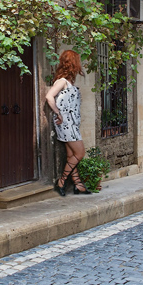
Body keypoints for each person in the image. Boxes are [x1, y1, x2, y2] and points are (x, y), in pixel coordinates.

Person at [45, 50, 90, 196]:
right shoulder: (62, 81)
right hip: (65, 123)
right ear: (72, 64)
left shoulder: (69, 82)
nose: (80, 65)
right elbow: (49, 96)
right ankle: (62, 181)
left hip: (71, 123)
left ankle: (78, 185)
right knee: (80, 153)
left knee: (72, 154)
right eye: (77, 62)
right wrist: (58, 113)